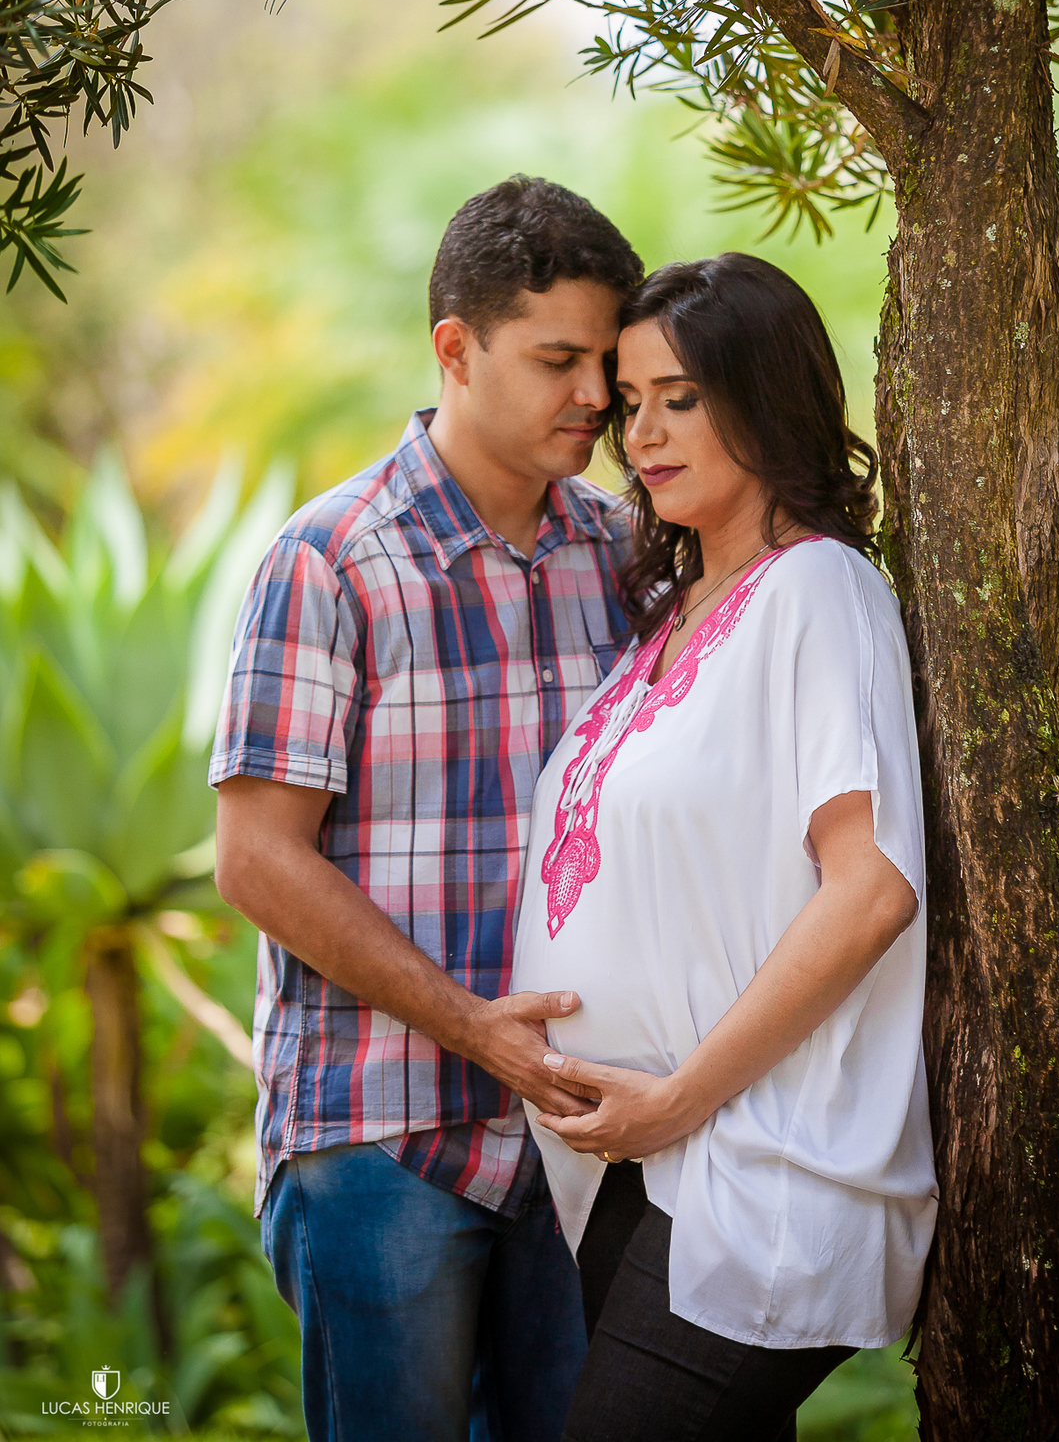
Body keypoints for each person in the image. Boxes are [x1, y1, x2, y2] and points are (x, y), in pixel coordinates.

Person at [210, 176, 644, 1442]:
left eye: (607, 362)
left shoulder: (629, 555)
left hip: (582, 1141)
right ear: (456, 349)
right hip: (380, 1138)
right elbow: (257, 861)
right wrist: (477, 1032)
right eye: (558, 360)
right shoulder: (329, 560)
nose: (597, 395)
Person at [511, 253, 938, 1442]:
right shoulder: (669, 613)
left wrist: (677, 1100)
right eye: (630, 401)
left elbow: (870, 889)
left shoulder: (820, 591)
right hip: (638, 1173)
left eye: (682, 398)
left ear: (765, 396)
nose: (642, 434)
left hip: (764, 1166)